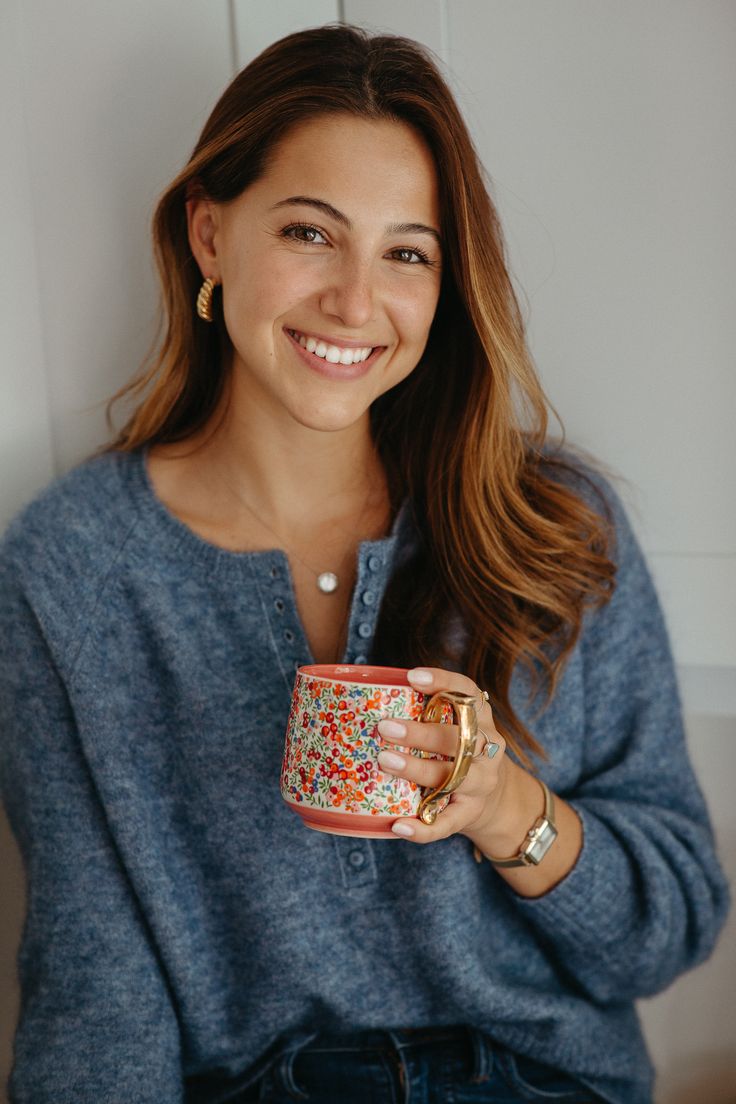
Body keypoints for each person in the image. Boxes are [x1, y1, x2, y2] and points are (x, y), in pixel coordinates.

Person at [0, 23, 729, 1104]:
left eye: (406, 252)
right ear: (209, 234)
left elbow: (663, 934)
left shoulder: (553, 528)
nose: (354, 301)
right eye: (309, 231)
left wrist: (502, 809)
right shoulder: (72, 568)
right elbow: (95, 985)